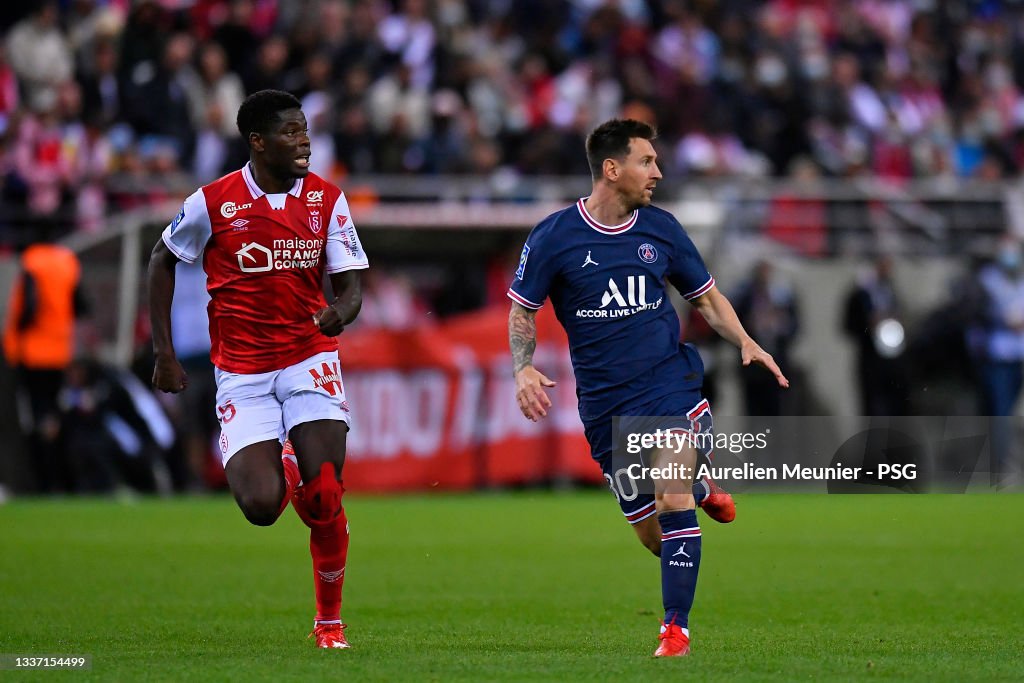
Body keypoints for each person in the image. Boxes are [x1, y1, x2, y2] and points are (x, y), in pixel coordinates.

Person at [507, 119, 788, 657]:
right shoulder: (554, 236)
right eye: (647, 162)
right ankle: (702, 492)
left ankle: (675, 630)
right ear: (612, 170)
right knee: (655, 535)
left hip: (670, 386)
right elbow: (523, 309)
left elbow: (705, 299)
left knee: (670, 494)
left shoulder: (662, 229)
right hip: (606, 404)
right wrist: (522, 367)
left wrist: (746, 340)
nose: (658, 172)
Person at [147, 90, 368, 649]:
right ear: (257, 141)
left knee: (325, 494)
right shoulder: (214, 202)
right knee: (262, 507)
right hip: (242, 374)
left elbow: (351, 285)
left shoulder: (326, 200)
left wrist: (338, 312)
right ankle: (286, 465)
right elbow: (161, 259)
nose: (304, 142)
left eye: (306, 131)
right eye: (291, 132)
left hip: (307, 358)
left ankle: (329, 624)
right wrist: (165, 354)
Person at [3, 234, 88, 492]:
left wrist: (18, 333)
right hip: (60, 352)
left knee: (35, 416)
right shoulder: (67, 262)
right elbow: (80, 306)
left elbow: (29, 306)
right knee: (55, 413)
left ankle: (43, 480)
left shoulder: (33, 262)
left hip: (33, 353)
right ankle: (60, 479)